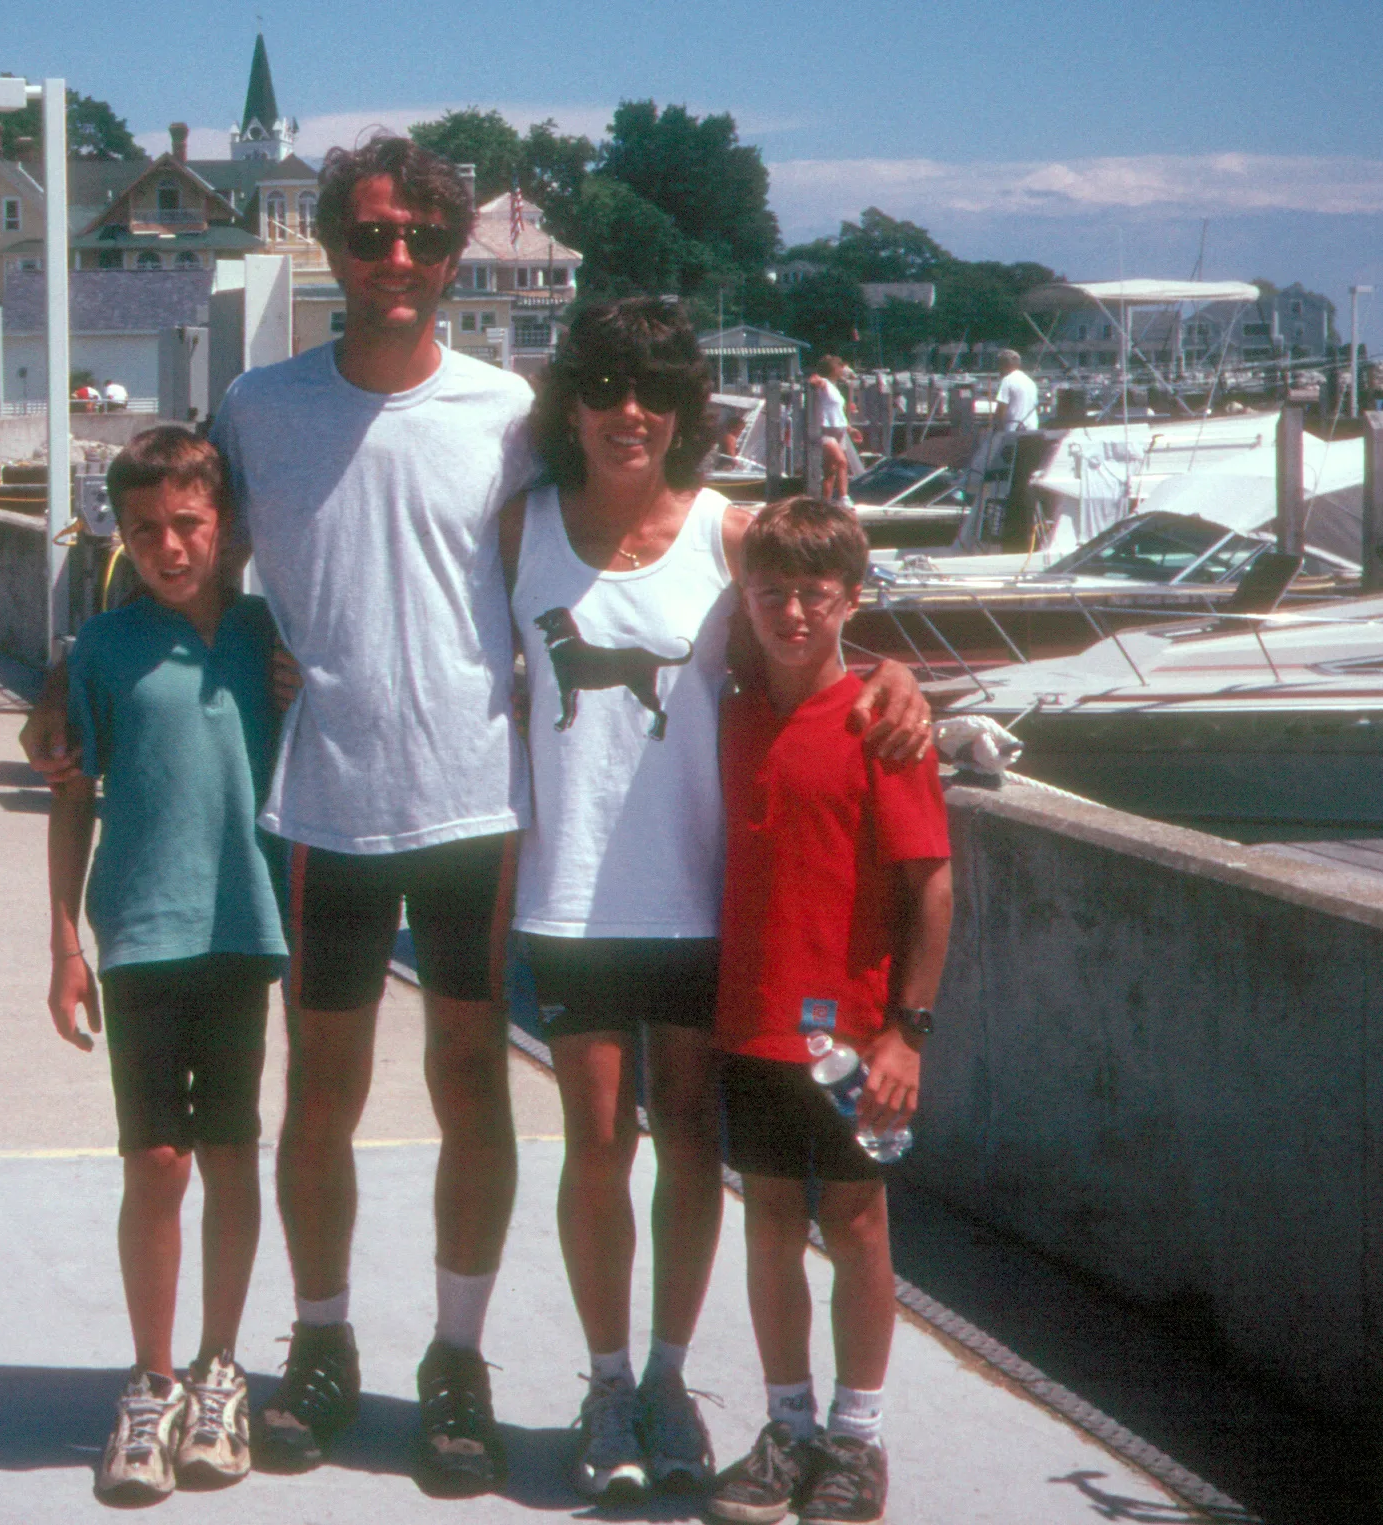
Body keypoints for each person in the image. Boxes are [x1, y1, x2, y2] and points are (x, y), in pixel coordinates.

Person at [25, 136, 932, 1499]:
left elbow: (767, 554)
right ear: (329, 246)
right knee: (319, 1099)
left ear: (456, 258)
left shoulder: (512, 413)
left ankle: (458, 1356)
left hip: (478, 811)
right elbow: (172, 535)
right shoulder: (261, 409)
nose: (398, 261)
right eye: (373, 236)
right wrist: (69, 665)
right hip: (324, 802)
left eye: (424, 240)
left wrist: (893, 665)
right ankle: (321, 1346)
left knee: (471, 1093)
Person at [512, 298, 932, 1504]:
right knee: (596, 1145)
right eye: (602, 387)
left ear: (684, 412)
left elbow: (827, 613)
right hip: (572, 898)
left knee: (691, 1147)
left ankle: (667, 1378)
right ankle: (604, 1384)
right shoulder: (520, 530)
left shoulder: (724, 531)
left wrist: (899, 670)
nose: (626, 412)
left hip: (705, 908)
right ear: (572, 405)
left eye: (652, 391)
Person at [45, 428, 284, 1507]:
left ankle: (218, 1368)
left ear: (224, 526)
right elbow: (67, 793)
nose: (168, 546)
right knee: (158, 1161)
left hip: (245, 931)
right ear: (118, 533)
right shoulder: (95, 648)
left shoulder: (269, 638)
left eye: (188, 524)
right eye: (143, 529)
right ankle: (149, 1382)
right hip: (139, 936)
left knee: (232, 1153)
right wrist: (62, 945)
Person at [705, 497, 953, 1525]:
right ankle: (787, 1424)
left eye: (815, 594)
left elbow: (931, 886)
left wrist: (907, 1030)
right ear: (745, 599)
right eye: (772, 592)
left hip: (852, 1036)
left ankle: (856, 1436)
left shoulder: (879, 722)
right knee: (766, 1221)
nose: (792, 612)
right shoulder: (729, 704)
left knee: (854, 1222)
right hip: (751, 1022)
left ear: (850, 599)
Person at [808, 357, 855, 507]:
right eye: (840, 367)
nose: (842, 370)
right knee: (842, 462)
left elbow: (837, 412)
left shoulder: (835, 387)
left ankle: (825, 503)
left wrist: (850, 428)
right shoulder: (826, 384)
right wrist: (817, 380)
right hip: (826, 431)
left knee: (830, 470)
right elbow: (814, 379)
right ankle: (844, 498)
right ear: (833, 369)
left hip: (839, 430)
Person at [992, 347, 1038, 434]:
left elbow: (1001, 409)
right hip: (1032, 429)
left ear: (1003, 365)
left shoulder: (1007, 380)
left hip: (1013, 430)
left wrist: (997, 429)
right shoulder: (1030, 382)